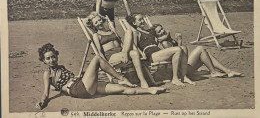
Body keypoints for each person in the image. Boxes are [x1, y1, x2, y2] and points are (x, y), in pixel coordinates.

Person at [35, 43, 166, 110]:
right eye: (48, 58)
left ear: (57, 56)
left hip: (84, 85)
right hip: (78, 89)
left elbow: (58, 85)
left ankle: (150, 90)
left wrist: (58, 86)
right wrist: (42, 102)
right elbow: (46, 93)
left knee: (123, 89)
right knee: (97, 59)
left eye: (53, 57)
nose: (52, 60)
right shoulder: (47, 73)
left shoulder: (61, 68)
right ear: (44, 61)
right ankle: (121, 77)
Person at [150, 23, 242, 78]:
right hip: (181, 71)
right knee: (200, 49)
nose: (162, 31)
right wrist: (179, 41)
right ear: (157, 36)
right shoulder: (165, 43)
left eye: (162, 28)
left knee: (205, 53)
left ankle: (227, 71)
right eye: (159, 31)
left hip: (183, 67)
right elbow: (178, 56)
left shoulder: (167, 40)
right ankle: (215, 72)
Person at [126, 14, 195, 86]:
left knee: (183, 48)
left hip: (158, 52)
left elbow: (161, 37)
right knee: (177, 49)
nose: (143, 21)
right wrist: (141, 55)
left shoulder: (148, 32)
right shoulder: (136, 33)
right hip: (150, 54)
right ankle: (175, 78)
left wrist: (168, 35)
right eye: (140, 20)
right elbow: (134, 46)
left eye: (143, 19)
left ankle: (184, 76)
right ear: (134, 23)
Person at [86, 12, 150, 88]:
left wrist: (125, 50)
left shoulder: (112, 31)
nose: (99, 23)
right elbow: (99, 51)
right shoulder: (96, 35)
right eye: (96, 22)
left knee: (130, 36)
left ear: (102, 20)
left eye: (99, 20)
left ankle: (143, 81)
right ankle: (125, 54)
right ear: (93, 25)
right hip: (111, 56)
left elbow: (121, 44)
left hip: (121, 52)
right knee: (132, 52)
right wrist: (106, 64)